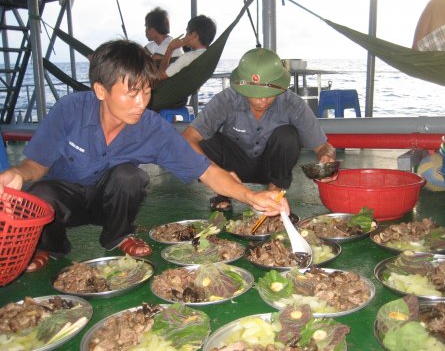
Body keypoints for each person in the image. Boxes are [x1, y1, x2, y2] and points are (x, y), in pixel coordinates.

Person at [0, 40, 286, 273]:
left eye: (147, 92)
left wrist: (251, 197)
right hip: (65, 202)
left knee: (131, 176)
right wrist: (19, 174)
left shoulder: (151, 128)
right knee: (40, 192)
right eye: (132, 94)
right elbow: (36, 163)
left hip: (108, 202)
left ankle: (118, 236)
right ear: (101, 90)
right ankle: (50, 247)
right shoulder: (68, 110)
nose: (141, 104)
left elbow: (206, 170)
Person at [182, 47, 336, 212]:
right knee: (205, 139)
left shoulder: (293, 104)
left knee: (288, 135)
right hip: (232, 168)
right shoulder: (226, 100)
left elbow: (324, 146)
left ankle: (274, 192)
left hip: (270, 168)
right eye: (255, 93)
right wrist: (214, 172)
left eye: (269, 93)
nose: (262, 99)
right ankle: (223, 192)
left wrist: (326, 157)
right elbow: (187, 137)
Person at [158, 14, 216, 80]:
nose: (185, 36)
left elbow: (162, 75)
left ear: (194, 35)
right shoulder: (209, 56)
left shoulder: (188, 57)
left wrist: (170, 48)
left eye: (187, 32)